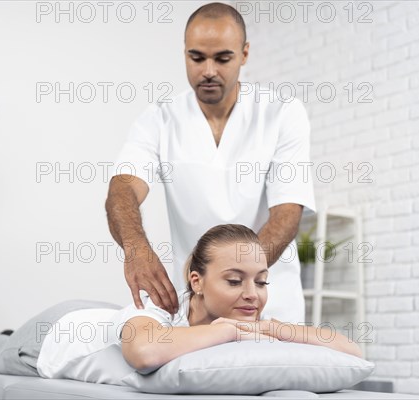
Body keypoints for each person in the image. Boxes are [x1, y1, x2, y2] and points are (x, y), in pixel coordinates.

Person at [105, 2, 316, 324]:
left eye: (223, 58)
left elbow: (287, 213)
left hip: (267, 305)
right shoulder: (159, 118)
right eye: (197, 57)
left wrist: (234, 282)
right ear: (184, 53)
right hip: (193, 308)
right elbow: (123, 188)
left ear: (244, 54)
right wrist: (136, 248)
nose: (208, 71)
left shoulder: (282, 113)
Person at [0, 225, 362, 383]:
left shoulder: (248, 317)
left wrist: (273, 327)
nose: (252, 294)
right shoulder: (157, 311)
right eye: (235, 280)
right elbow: (146, 352)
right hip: (57, 332)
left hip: (106, 320)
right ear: (196, 282)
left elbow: (353, 352)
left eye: (261, 281)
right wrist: (230, 329)